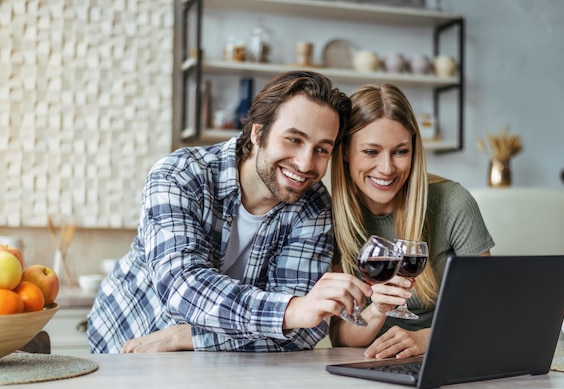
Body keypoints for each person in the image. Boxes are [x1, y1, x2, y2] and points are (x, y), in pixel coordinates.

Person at [87, 71, 373, 353]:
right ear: (258, 132)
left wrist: (189, 338)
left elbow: (304, 332)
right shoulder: (181, 175)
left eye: (322, 149)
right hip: (123, 342)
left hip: (210, 366)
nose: (305, 162)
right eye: (294, 140)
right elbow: (184, 288)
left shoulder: (313, 206)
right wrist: (292, 312)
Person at [328, 83, 494, 359]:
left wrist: (426, 340)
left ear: (414, 151)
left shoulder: (453, 202)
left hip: (446, 357)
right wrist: (377, 310)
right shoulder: (330, 217)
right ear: (345, 151)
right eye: (371, 151)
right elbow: (339, 336)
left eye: (400, 151)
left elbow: (487, 309)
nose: (387, 168)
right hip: (370, 366)